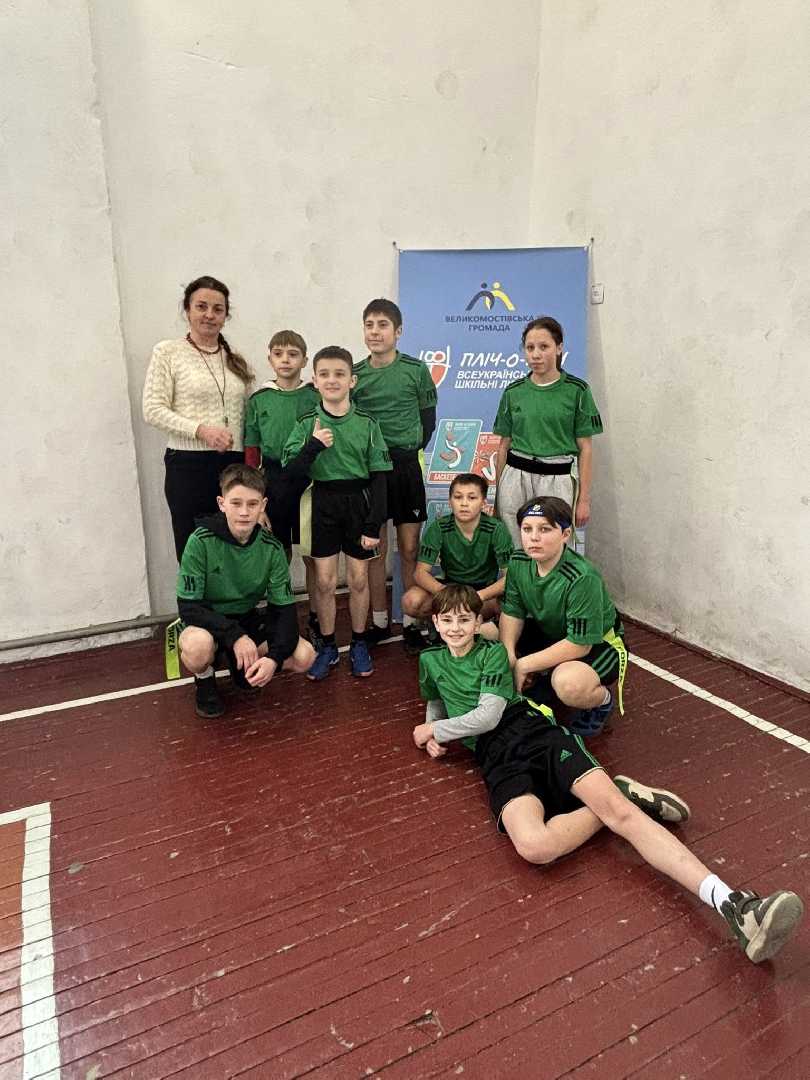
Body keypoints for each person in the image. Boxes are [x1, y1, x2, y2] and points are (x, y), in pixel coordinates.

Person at [413, 584, 804, 965]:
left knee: (622, 816)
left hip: (532, 733)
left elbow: (488, 715)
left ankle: (736, 906)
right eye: (447, 620)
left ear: (477, 622)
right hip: (495, 758)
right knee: (535, 846)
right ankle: (621, 791)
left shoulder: (493, 653)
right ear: (435, 622)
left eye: (464, 620)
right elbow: (437, 699)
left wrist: (433, 730)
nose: (455, 628)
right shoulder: (430, 661)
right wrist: (434, 733)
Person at [282, 346, 391, 680]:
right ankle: (328, 645)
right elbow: (290, 473)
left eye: (339, 374)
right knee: (325, 581)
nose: (332, 380)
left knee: (358, 579)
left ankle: (358, 643)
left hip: (358, 503)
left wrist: (373, 524)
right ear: (315, 381)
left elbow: (380, 478)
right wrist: (314, 445)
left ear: (352, 381)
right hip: (322, 503)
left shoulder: (368, 424)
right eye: (325, 374)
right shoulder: (306, 424)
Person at [176, 463, 315, 718]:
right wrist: (235, 636)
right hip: (207, 621)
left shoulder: (272, 548)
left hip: (246, 618)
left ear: (263, 505)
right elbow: (188, 607)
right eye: (236, 503)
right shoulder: (200, 541)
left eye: (252, 504)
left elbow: (284, 612)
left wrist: (273, 659)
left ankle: (242, 668)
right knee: (197, 647)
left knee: (304, 656)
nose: (244, 512)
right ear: (222, 503)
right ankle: (204, 679)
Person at [143, 275, 252, 560]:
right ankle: (195, 593)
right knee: (194, 551)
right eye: (201, 306)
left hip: (234, 467)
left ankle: (234, 593)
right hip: (188, 467)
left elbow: (249, 414)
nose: (209, 315)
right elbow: (152, 409)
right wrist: (201, 430)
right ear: (187, 310)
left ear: (226, 316)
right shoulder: (168, 352)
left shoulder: (234, 359)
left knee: (233, 550)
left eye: (218, 309)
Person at [498, 496, 625, 737]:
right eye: (527, 529)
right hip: (552, 632)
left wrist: (524, 664)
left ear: (565, 534)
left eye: (545, 529)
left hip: (598, 643)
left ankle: (602, 701)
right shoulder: (519, 561)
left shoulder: (582, 577)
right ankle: (542, 679)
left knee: (568, 683)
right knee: (485, 636)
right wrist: (509, 656)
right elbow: (512, 611)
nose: (534, 537)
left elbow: (580, 644)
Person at [351, 299, 437, 654]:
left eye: (383, 324)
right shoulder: (355, 374)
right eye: (369, 324)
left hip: (405, 468)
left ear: (398, 331)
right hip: (370, 471)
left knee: (410, 547)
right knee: (376, 548)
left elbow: (428, 420)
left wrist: (407, 450)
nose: (375, 331)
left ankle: (413, 623)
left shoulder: (416, 370)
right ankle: (380, 620)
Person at [494, 316, 603, 548]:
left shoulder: (578, 390)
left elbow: (585, 448)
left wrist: (583, 499)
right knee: (515, 548)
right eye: (530, 348)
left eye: (544, 347)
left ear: (559, 348)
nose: (535, 354)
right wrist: (497, 495)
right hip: (515, 478)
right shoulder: (513, 392)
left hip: (557, 480)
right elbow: (504, 445)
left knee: (555, 549)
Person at [244, 330, 321, 643]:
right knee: (278, 554)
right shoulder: (259, 400)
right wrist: (256, 497)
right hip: (273, 483)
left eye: (292, 354)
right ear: (270, 359)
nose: (285, 360)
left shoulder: (315, 396)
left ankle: (316, 617)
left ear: (304, 360)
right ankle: (281, 617)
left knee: (313, 554)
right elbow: (252, 451)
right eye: (278, 354)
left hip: (309, 480)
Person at [401, 473, 513, 637]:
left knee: (512, 604)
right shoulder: (439, 527)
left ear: (483, 503)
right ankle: (438, 625)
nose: (464, 503)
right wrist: (447, 593)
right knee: (411, 600)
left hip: (483, 593)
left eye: (472, 498)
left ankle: (487, 634)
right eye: (458, 497)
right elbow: (420, 573)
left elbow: (510, 577)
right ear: (450, 501)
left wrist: (479, 595)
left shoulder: (496, 529)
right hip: (450, 588)